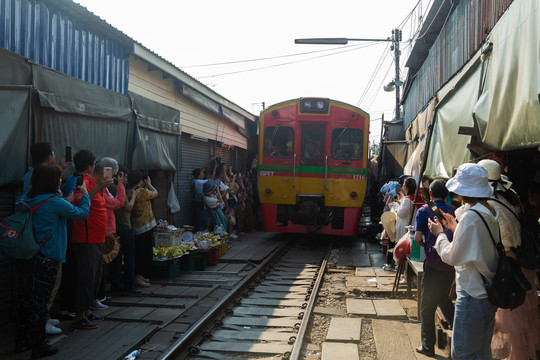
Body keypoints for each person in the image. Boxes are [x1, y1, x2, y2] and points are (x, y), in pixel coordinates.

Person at [15, 164, 90, 357]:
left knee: (25, 299)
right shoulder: (53, 202)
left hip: (25, 255)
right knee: (41, 301)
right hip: (47, 258)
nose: (61, 181)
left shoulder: (24, 199)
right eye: (58, 179)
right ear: (52, 182)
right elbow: (82, 214)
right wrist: (85, 195)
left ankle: (21, 341)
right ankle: (38, 345)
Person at [428, 163, 499, 359]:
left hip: (472, 293)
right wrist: (455, 227)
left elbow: (453, 257)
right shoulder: (490, 211)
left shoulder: (470, 218)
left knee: (462, 353)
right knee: (482, 351)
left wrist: (440, 234)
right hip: (487, 291)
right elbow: (476, 243)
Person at [478, 160, 540, 360]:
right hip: (521, 259)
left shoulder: (490, 201)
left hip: (506, 260)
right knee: (521, 315)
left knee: (509, 315)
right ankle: (516, 356)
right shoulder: (512, 196)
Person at [24, 142, 72, 335]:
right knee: (47, 287)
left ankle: (41, 319)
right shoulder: (44, 191)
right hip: (47, 246)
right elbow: (81, 213)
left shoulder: (30, 179)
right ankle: (40, 323)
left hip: (40, 244)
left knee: (40, 289)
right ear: (49, 157)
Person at [70, 151, 114, 330]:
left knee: (95, 276)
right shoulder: (84, 182)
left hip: (96, 237)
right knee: (87, 277)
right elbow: (80, 202)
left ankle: (87, 311)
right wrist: (99, 187)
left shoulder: (95, 183)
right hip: (86, 238)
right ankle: (80, 315)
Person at [414, 179, 456, 357]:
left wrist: (429, 249)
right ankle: (459, 334)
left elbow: (417, 239)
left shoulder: (423, 211)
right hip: (451, 264)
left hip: (433, 264)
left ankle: (428, 346)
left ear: (430, 194)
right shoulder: (454, 211)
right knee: (444, 299)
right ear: (447, 195)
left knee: (427, 306)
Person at [110, 167, 141, 293]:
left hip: (114, 228)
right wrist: (133, 196)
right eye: (125, 176)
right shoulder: (117, 187)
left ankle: (116, 284)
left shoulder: (108, 189)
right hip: (124, 227)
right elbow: (127, 207)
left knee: (115, 259)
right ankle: (129, 285)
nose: (126, 179)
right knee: (129, 257)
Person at [130, 170, 158, 288]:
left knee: (140, 252)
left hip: (136, 226)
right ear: (140, 181)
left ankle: (141, 276)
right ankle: (139, 277)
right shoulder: (141, 191)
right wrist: (149, 184)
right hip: (145, 226)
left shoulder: (129, 191)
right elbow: (155, 193)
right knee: (144, 253)